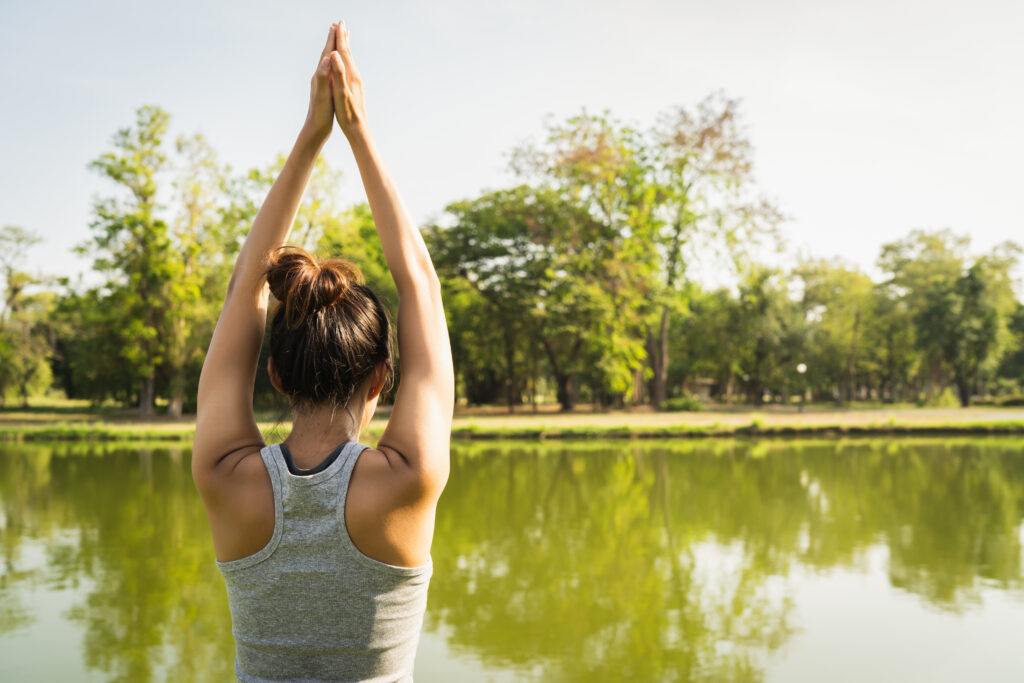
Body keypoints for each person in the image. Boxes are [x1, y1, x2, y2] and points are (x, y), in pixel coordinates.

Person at [191, 20, 454, 683]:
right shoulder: (406, 478)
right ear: (380, 379)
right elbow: (420, 285)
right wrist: (357, 130)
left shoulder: (227, 477)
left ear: (275, 374)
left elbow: (242, 291)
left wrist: (310, 139)